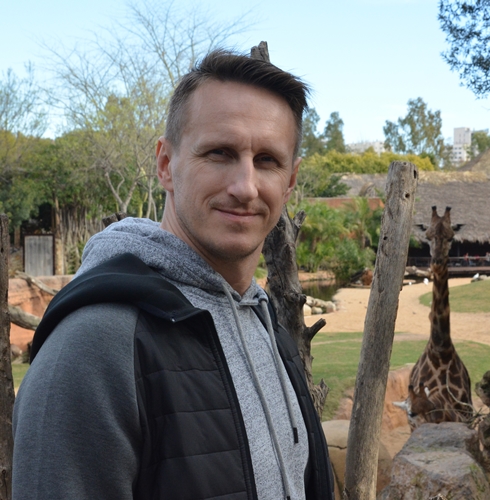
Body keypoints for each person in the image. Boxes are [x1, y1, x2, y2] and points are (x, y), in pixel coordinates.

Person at [12, 50, 334, 499]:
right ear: (166, 164)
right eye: (219, 153)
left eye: (267, 160)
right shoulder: (95, 344)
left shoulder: (266, 326)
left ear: (291, 180)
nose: (245, 187)